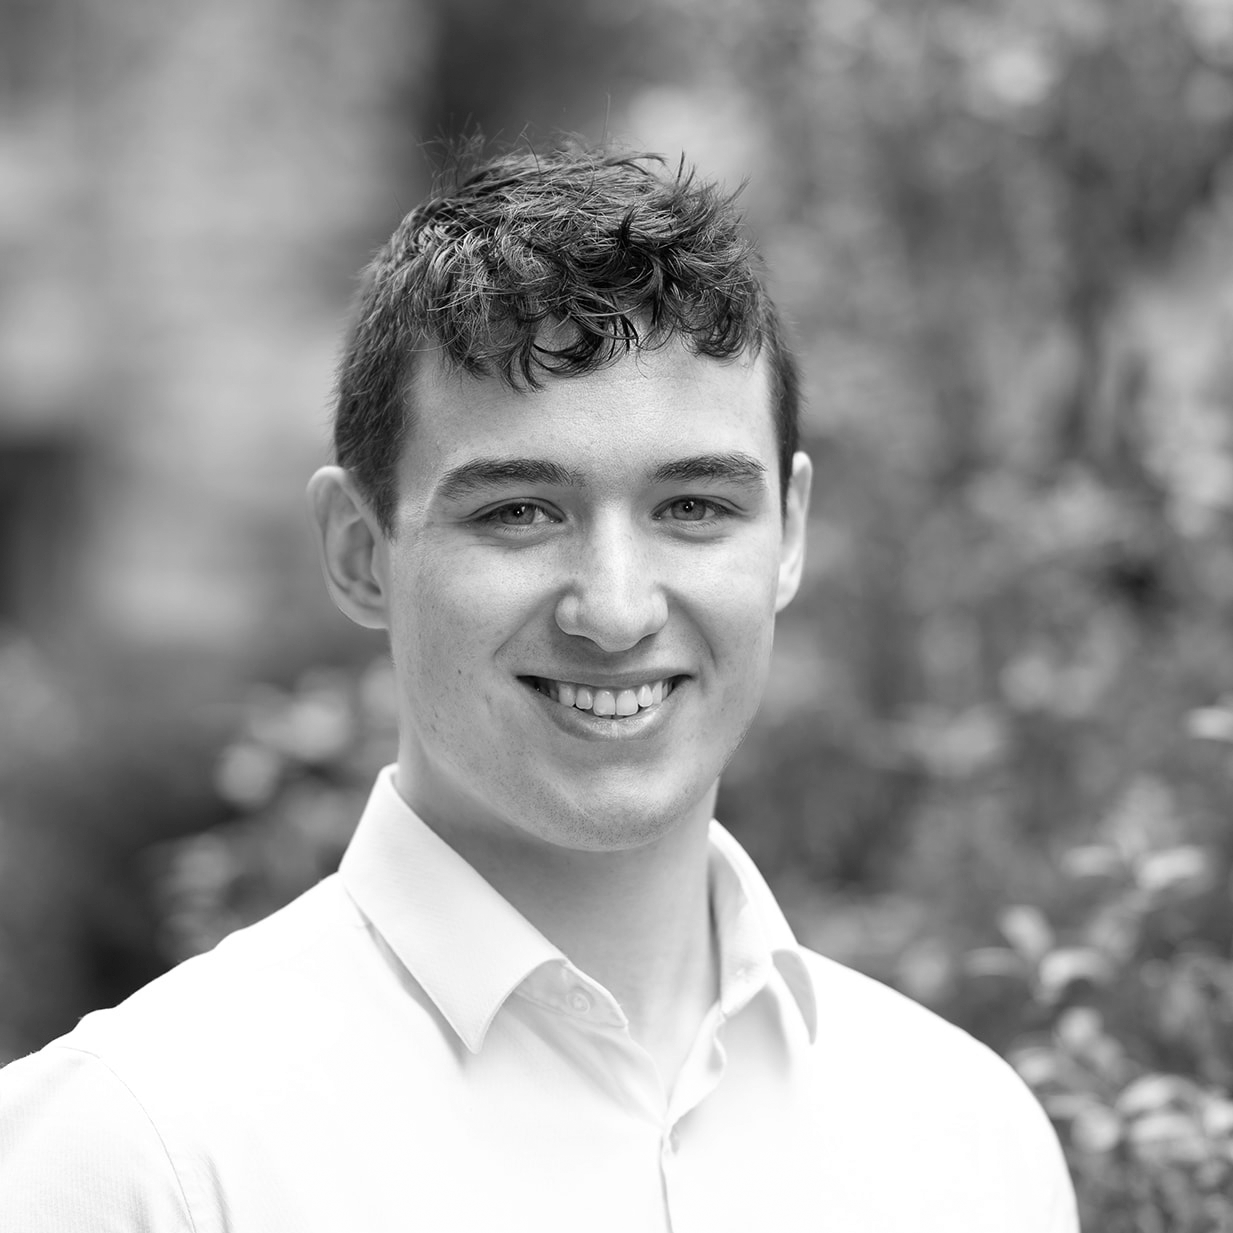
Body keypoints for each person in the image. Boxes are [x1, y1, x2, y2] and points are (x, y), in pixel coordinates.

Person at [0, 139, 1078, 1231]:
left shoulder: (970, 1143)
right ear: (361, 550)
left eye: (694, 507)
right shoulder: (135, 1159)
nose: (614, 610)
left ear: (789, 532)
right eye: (519, 511)